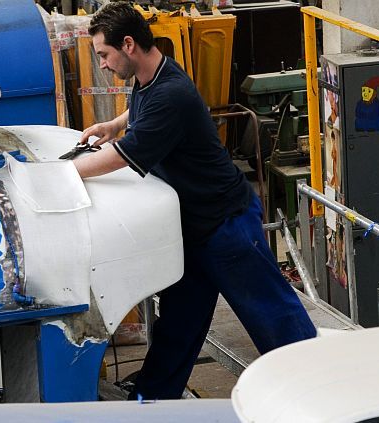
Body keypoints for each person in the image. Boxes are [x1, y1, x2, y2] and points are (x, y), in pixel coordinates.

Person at [73, 2, 317, 400]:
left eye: (104, 54)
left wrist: (64, 173)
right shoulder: (154, 72)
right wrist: (112, 125)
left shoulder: (171, 93)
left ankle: (318, 388)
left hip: (227, 226)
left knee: (273, 317)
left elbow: (123, 156)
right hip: (193, 229)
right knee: (179, 323)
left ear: (129, 44)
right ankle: (154, 395)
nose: (101, 64)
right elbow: (139, 115)